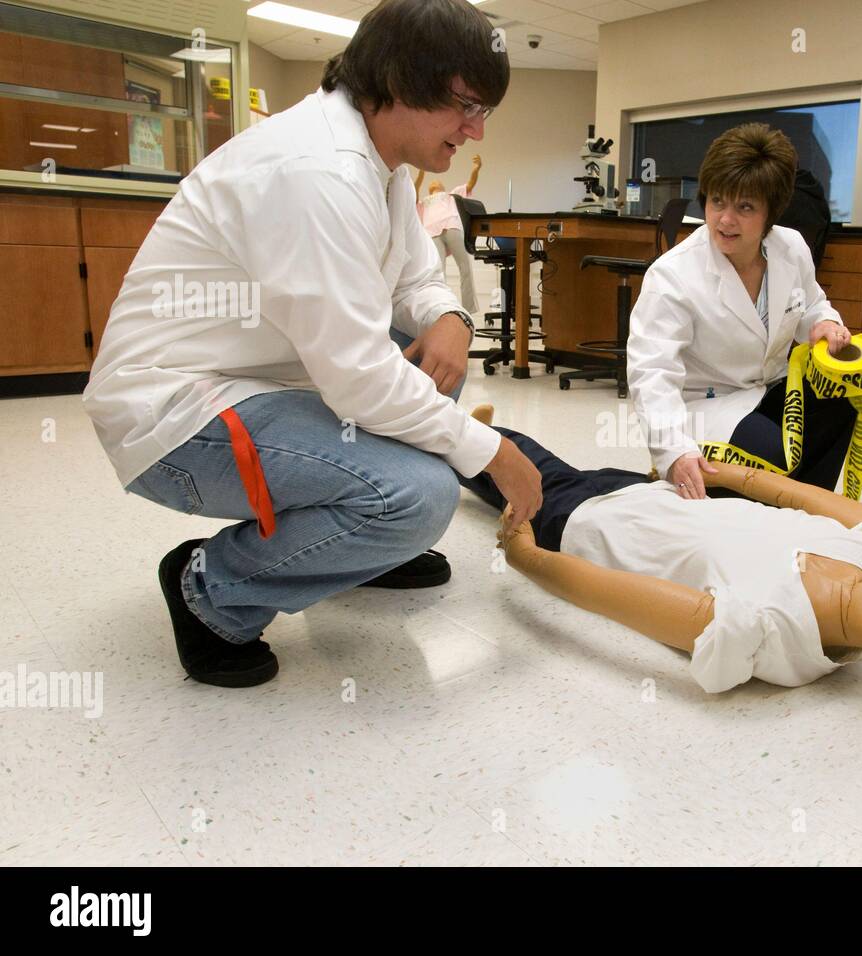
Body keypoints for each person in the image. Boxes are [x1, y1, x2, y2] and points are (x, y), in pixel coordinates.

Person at [81, 0, 542, 689]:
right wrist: (497, 453)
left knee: (430, 356)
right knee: (418, 496)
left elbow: (416, 278)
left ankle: (357, 549)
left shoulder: (376, 159)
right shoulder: (315, 172)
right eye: (465, 107)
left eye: (485, 112)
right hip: (179, 411)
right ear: (397, 81)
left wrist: (453, 316)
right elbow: (359, 379)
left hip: (265, 376)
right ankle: (210, 590)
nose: (474, 132)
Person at [461, 407, 862, 694]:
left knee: (514, 471)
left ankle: (441, 436)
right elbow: (790, 492)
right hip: (664, 493)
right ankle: (465, 431)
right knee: (547, 461)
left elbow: (613, 595)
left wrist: (528, 558)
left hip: (592, 524)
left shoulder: (769, 634)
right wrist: (723, 472)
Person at [626, 123, 857, 500]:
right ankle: (767, 506)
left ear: (772, 211)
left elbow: (811, 304)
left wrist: (824, 324)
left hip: (771, 389)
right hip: (707, 407)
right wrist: (673, 451)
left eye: (745, 207)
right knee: (773, 453)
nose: (725, 219)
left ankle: (807, 509)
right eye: (717, 201)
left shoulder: (792, 247)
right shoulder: (674, 274)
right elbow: (651, 373)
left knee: (839, 407)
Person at [415, 154, 481, 310]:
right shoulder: (422, 202)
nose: (435, 181)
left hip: (451, 227)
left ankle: (469, 307)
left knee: (464, 266)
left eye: (438, 181)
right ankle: (442, 306)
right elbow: (415, 188)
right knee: (438, 272)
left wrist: (476, 168)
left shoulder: (451, 195)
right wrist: (421, 172)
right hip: (432, 234)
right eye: (432, 182)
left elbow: (470, 184)